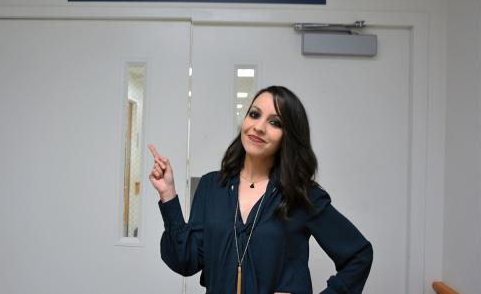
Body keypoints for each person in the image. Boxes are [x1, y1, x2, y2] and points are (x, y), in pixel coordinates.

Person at [148, 86, 373, 294]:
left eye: (275, 122)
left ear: (289, 136)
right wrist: (168, 195)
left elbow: (358, 255)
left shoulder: (301, 195)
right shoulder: (211, 187)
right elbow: (185, 262)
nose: (259, 127)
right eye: (254, 114)